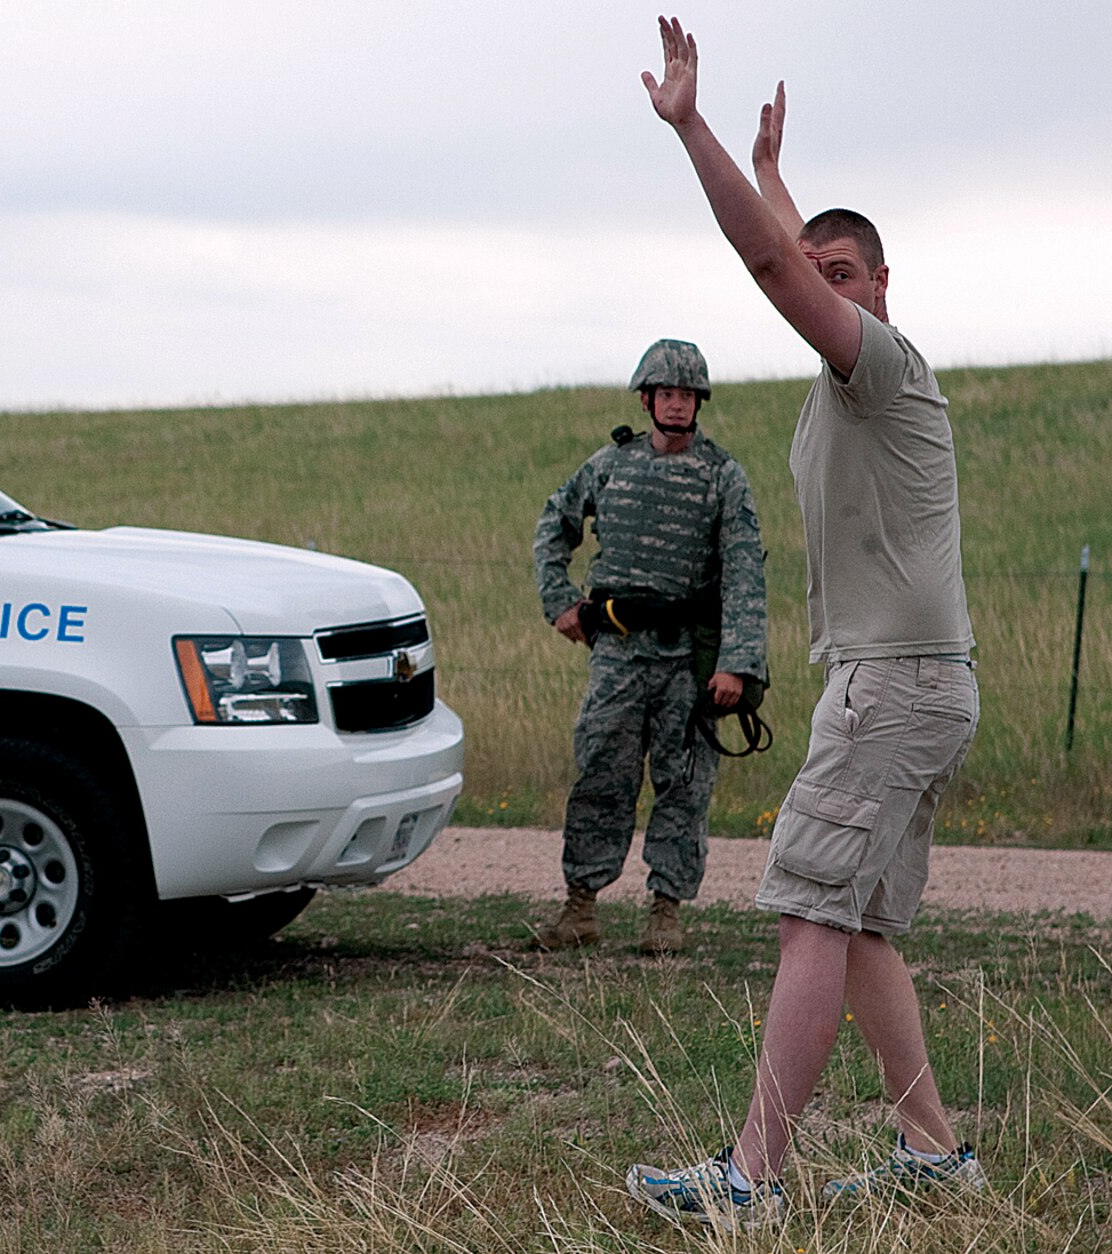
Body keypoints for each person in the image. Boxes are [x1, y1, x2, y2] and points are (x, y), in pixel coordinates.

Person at [626, 18, 986, 1229]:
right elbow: (793, 257)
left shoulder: (878, 365)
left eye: (847, 277)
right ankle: (932, 1153)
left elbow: (780, 270)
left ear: (881, 291)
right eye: (817, 272)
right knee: (867, 929)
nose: (822, 290)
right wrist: (779, 176)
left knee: (807, 912)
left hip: (890, 689)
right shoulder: (850, 384)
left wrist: (692, 130)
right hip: (910, 684)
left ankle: (749, 1183)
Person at [532, 339, 767, 954]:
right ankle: (579, 906)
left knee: (684, 786)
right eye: (667, 393)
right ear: (647, 399)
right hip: (617, 655)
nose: (677, 405)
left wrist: (737, 665)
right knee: (600, 776)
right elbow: (553, 524)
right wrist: (558, 598)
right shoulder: (609, 466)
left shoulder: (722, 476)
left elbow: (745, 572)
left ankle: (666, 912)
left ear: (699, 403)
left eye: (687, 395)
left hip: (687, 662)